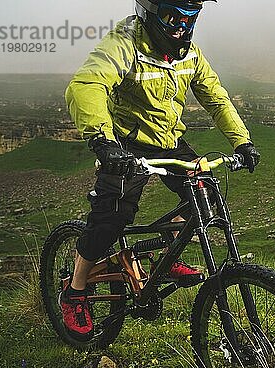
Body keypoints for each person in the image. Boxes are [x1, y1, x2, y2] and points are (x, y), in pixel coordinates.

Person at [61, 0, 260, 341]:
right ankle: (75, 290)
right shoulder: (124, 43)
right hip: (124, 143)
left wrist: (242, 142)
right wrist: (102, 141)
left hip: (168, 142)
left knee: (207, 199)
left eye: (190, 17)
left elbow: (216, 98)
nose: (181, 26)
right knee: (111, 219)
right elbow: (86, 86)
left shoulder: (189, 54)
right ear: (150, 13)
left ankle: (164, 258)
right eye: (172, 17)